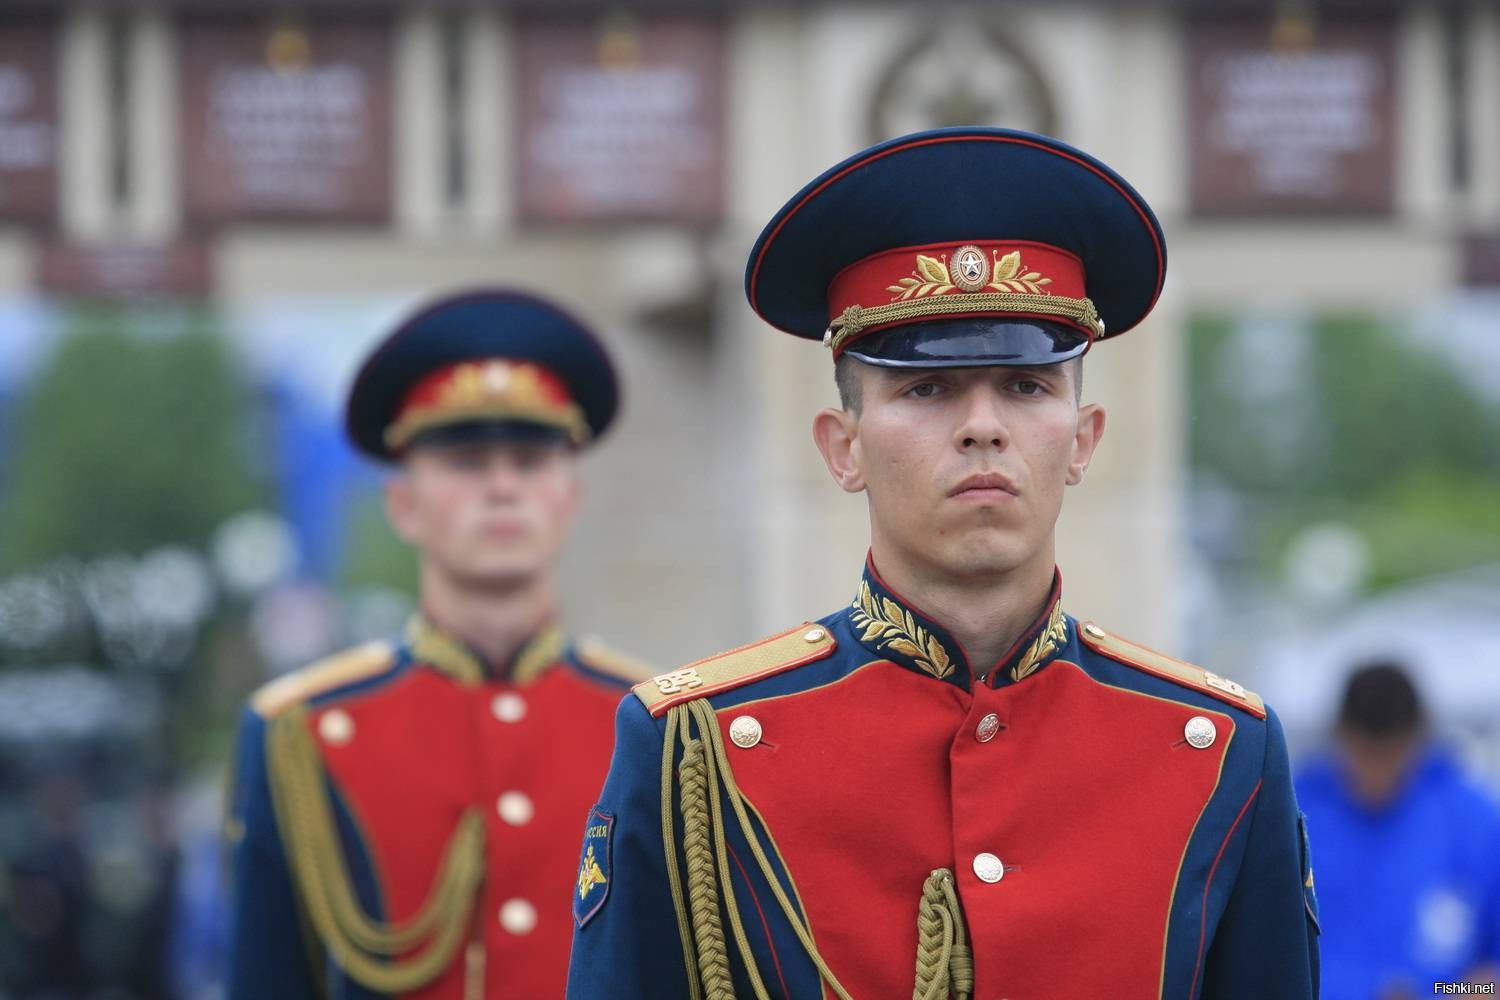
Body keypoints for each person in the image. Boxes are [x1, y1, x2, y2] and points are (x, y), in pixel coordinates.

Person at [567, 128, 1319, 999]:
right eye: (925, 389)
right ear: (841, 448)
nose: (982, 426)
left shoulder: (1221, 749)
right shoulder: (692, 747)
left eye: (1027, 386)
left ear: (1083, 440)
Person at [226, 289, 652, 999]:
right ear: (403, 504)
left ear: (569, 500)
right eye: (466, 461)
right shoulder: (297, 732)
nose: (503, 488)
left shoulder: (654, 724)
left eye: (530, 459)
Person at [1296, 662, 1500, 999]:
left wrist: (1443, 993)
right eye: (1366, 755)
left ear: (1419, 738)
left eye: (1391, 756)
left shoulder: (1476, 821)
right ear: (1339, 736)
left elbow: (1492, 978)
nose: (1378, 775)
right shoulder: (1293, 811)